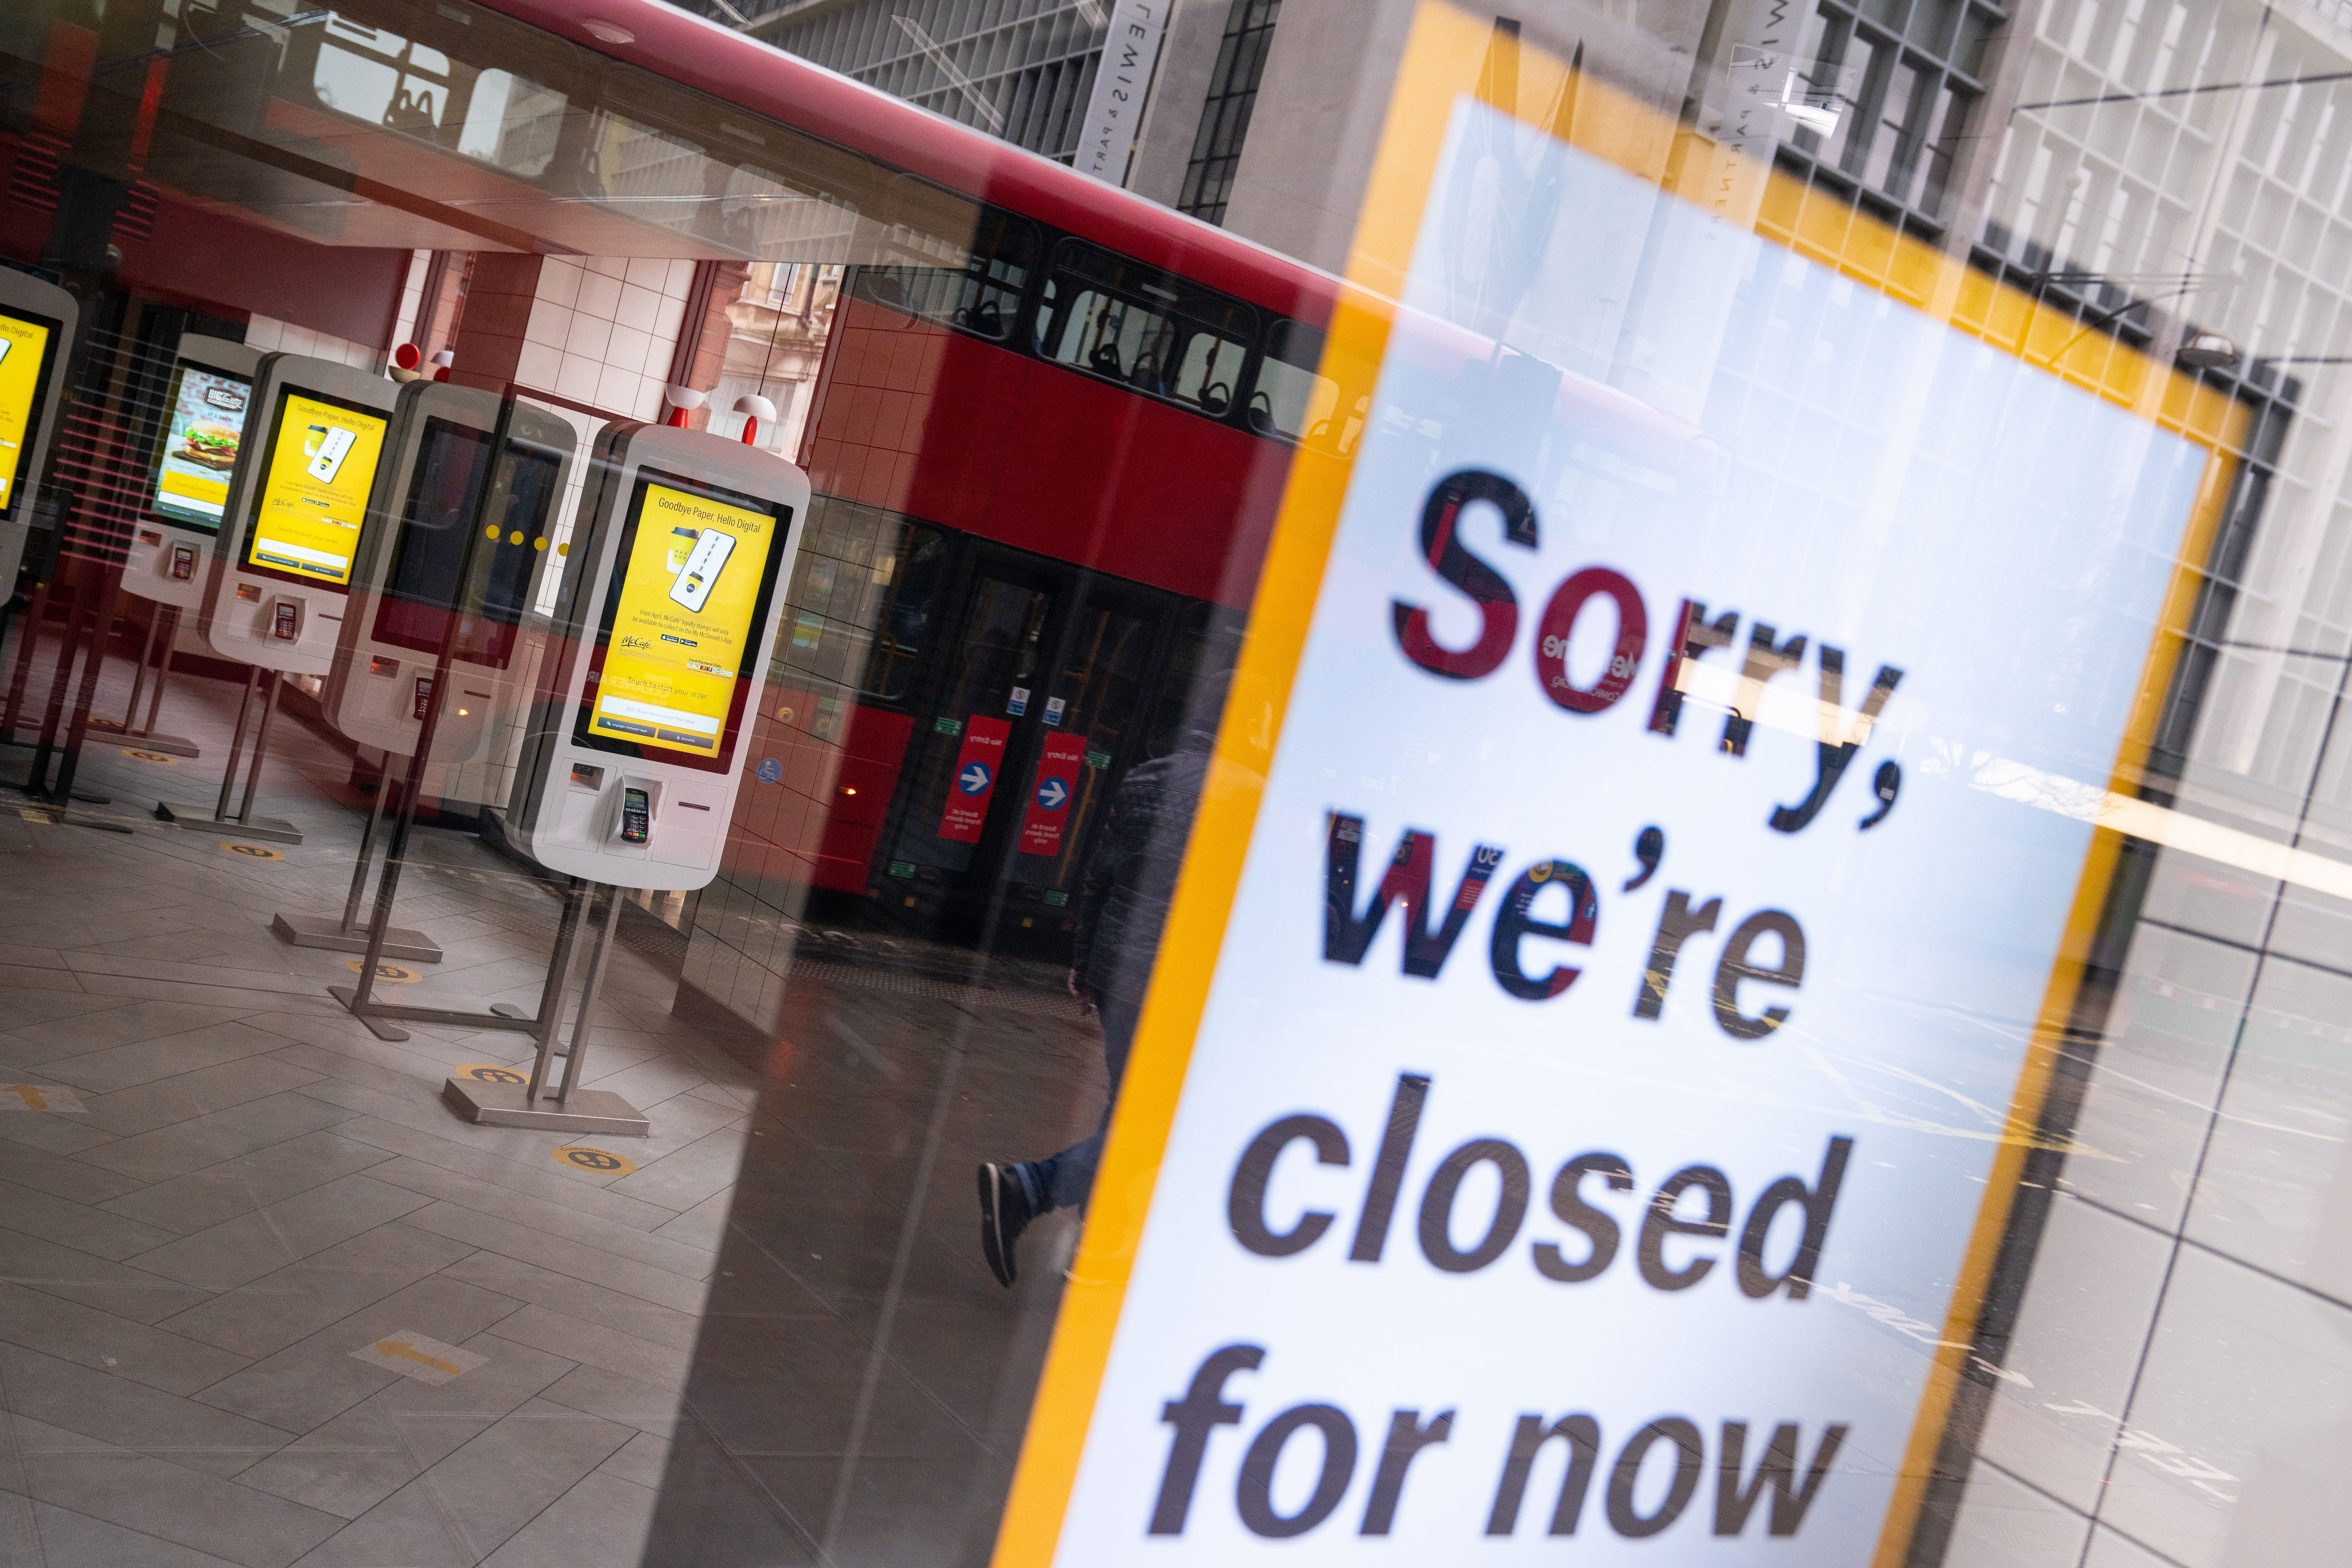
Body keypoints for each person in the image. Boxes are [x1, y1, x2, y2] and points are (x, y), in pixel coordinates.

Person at [978, 667, 1232, 1287]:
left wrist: (1084, 963)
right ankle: (1031, 1186)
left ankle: (1095, 1249)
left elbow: (1099, 875)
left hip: (1120, 970)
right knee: (1160, 1123)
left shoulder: (1145, 777)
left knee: (1131, 1111)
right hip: (1180, 979)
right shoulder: (1243, 790)